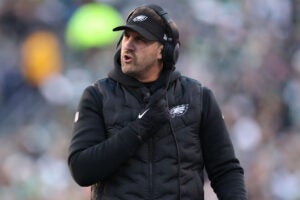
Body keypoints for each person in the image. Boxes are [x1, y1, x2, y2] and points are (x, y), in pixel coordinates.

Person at [67, 4, 248, 200]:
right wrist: (139, 129)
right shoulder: (97, 96)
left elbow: (225, 171)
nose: (128, 45)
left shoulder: (199, 97)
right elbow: (81, 170)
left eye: (140, 39)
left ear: (164, 51)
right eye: (126, 36)